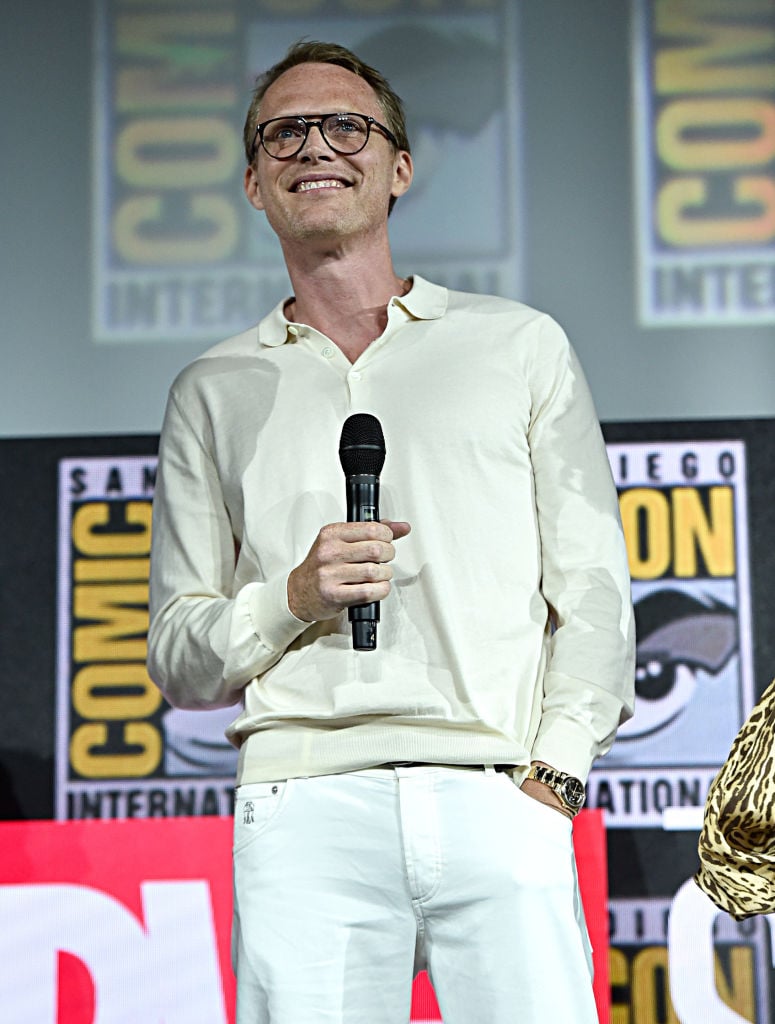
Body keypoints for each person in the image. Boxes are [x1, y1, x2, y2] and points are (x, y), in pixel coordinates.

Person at [147, 39, 635, 1024]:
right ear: (253, 183)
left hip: (498, 789)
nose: (314, 147)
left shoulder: (517, 345)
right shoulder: (212, 389)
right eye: (283, 133)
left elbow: (592, 589)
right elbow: (177, 654)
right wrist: (290, 598)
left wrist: (554, 773)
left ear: (399, 167)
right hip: (302, 809)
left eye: (346, 126)